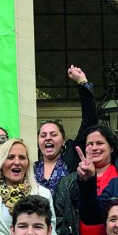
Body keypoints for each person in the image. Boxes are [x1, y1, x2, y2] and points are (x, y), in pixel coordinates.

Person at [57, 126, 118, 235]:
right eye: (89, 144)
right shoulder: (68, 182)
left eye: (99, 143)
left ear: (111, 147)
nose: (94, 148)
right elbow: (60, 219)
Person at [34, 64, 98, 196]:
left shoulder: (72, 158)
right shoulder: (31, 168)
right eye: (43, 135)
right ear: (38, 140)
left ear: (63, 140)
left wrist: (82, 82)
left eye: (53, 134)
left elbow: (89, 122)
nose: (48, 138)